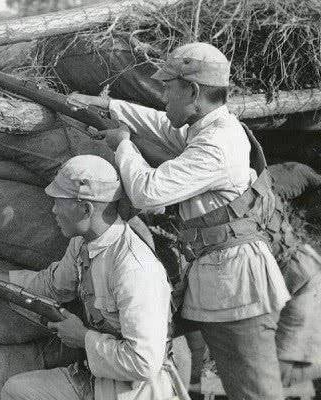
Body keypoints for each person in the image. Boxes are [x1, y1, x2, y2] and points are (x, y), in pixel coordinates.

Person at [68, 42, 291, 399]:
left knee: (255, 393)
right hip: (218, 278)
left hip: (237, 286)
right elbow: (162, 124)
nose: (164, 96)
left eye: (169, 88)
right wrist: (108, 106)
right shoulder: (205, 127)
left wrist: (123, 145)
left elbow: (146, 193)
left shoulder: (217, 144)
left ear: (193, 91)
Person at [0, 154, 188, 400]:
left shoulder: (134, 270)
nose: (53, 210)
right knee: (17, 390)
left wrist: (83, 338)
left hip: (137, 391)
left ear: (85, 208)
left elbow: (143, 363)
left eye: (59, 202)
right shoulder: (82, 243)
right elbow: (51, 285)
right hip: (101, 377)